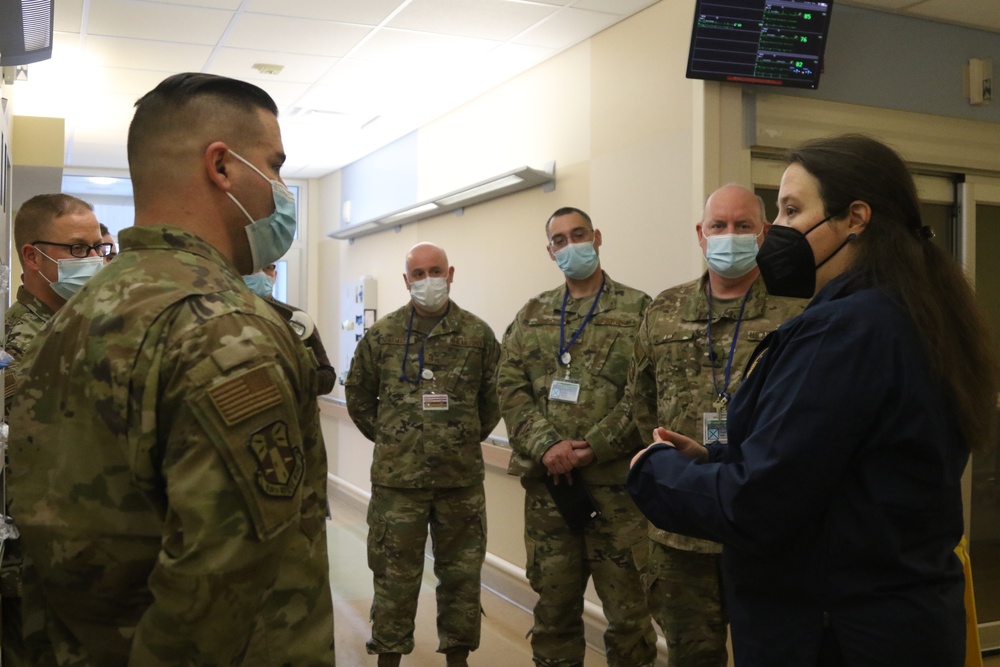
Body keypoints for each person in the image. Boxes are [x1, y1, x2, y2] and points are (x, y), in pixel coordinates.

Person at [627, 134, 1000, 666]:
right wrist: (714, 460)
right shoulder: (908, 312)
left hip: (838, 632)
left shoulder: (847, 330)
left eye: (792, 209)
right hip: (895, 619)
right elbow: (832, 468)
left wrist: (655, 470)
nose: (776, 229)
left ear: (855, 218)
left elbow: (761, 502)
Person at [6, 72, 335, 664]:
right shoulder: (223, 327)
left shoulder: (78, 312)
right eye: (275, 165)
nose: (281, 188)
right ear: (222, 167)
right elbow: (218, 588)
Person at [627, 185, 806, 667]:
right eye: (718, 226)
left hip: (765, 528)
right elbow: (641, 400)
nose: (730, 236)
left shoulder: (799, 311)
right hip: (681, 532)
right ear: (701, 235)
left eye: (743, 226)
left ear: (764, 233)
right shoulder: (663, 311)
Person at [496, 207, 657, 667]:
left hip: (619, 495)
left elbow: (648, 391)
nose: (571, 245)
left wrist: (595, 445)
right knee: (553, 614)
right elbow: (509, 387)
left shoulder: (640, 310)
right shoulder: (531, 315)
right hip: (552, 495)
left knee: (629, 620)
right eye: (560, 240)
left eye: (579, 235)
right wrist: (548, 444)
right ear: (550, 251)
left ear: (598, 237)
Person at [344, 242, 500, 667]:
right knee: (394, 578)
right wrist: (393, 438)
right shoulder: (383, 336)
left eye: (436, 271)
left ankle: (458, 657)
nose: (427, 280)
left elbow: (493, 399)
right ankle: (389, 656)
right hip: (399, 483)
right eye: (418, 273)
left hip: (460, 481)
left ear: (450, 275)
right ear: (406, 280)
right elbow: (357, 394)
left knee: (462, 577)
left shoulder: (477, 335)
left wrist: (460, 437)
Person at [2, 193, 108, 665]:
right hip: (42, 563)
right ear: (33, 256)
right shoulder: (23, 342)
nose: (95, 261)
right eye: (79, 250)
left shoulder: (76, 327)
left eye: (100, 248)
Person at [245, 263, 337, 395]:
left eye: (267, 267)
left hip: (292, 411)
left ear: (275, 275)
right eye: (254, 269)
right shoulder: (227, 317)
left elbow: (327, 377)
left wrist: (290, 381)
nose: (261, 275)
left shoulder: (296, 319)